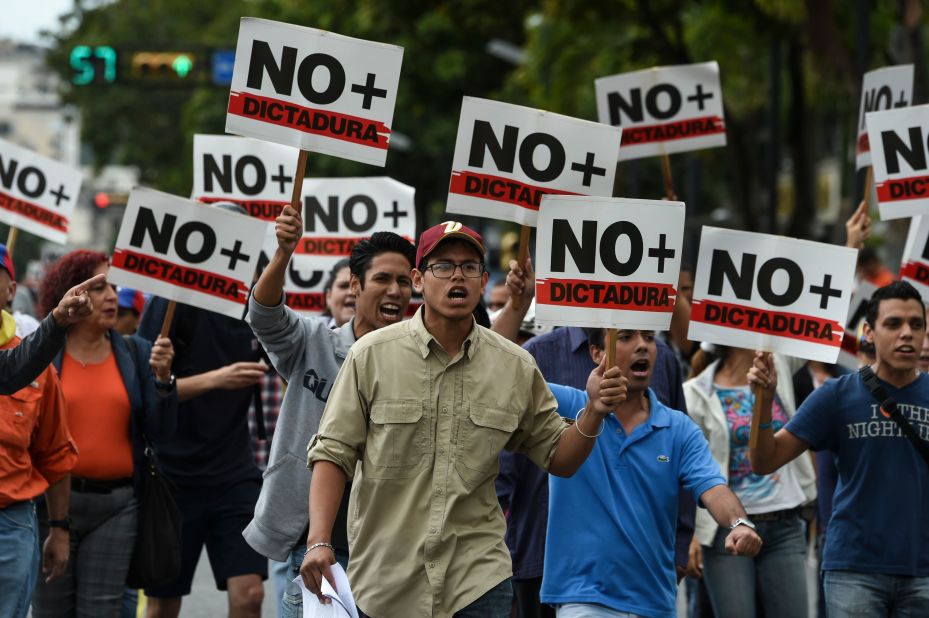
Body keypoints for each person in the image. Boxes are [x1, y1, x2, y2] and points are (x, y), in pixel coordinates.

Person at [302, 221, 625, 617]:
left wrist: (593, 411)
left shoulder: (515, 365)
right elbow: (333, 452)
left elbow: (560, 457)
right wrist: (319, 541)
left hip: (479, 582)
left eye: (470, 266)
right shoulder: (370, 355)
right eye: (443, 266)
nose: (458, 275)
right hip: (386, 582)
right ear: (419, 279)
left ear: (484, 281)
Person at [491, 259, 697, 618]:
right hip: (540, 554)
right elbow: (505, 456)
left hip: (637, 570)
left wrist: (680, 544)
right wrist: (503, 543)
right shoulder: (539, 352)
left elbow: (680, 457)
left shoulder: (660, 358)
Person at [244, 204, 416, 618]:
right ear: (354, 286)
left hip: (386, 547)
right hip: (313, 545)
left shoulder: (420, 360)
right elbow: (263, 315)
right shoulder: (314, 341)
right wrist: (283, 253)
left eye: (402, 281)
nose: (394, 290)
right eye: (381, 279)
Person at [541, 327, 762, 618]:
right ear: (597, 353)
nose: (642, 346)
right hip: (583, 599)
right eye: (625, 337)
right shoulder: (566, 405)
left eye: (648, 337)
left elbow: (714, 488)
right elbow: (502, 376)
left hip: (656, 603)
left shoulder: (679, 428)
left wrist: (739, 523)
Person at [749, 280, 929, 616]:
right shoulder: (837, 395)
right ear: (869, 332)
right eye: (893, 324)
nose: (906, 333)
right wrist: (764, 399)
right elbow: (764, 460)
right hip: (854, 571)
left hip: (923, 573)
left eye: (916, 324)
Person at [31, 250, 177, 617]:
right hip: (49, 507)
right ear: (72, 293)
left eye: (114, 288)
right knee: (51, 609)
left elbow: (160, 432)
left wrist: (163, 382)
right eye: (100, 288)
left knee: (102, 610)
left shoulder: (135, 351)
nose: (113, 297)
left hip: (117, 507)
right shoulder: (44, 353)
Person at [683, 345, 815, 617]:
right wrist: (693, 534)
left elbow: (820, 327)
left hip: (785, 525)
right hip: (727, 534)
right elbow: (691, 469)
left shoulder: (779, 363)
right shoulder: (695, 392)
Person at [0, 268, 78, 618]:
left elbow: (55, 451)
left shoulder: (33, 363)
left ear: (11, 290)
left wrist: (59, 528)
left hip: (9, 525)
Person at [0, 273, 100, 396]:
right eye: (99, 288)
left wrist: (58, 319)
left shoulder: (28, 327)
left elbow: (10, 367)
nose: (111, 296)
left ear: (11, 290)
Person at [320, 258, 355, 328]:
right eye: (343, 286)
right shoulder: (310, 332)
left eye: (357, 286)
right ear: (328, 297)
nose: (351, 292)